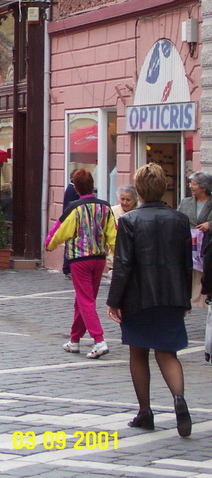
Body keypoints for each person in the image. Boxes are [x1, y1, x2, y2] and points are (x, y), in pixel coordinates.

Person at [108, 163, 193, 437]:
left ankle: (145, 411)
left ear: (140, 192)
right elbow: (186, 262)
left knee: (138, 352)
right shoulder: (179, 220)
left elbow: (123, 264)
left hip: (138, 296)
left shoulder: (129, 221)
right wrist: (185, 298)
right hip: (171, 295)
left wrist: (114, 300)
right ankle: (179, 400)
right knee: (168, 353)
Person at [46, 168, 116, 360]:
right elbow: (113, 235)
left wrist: (50, 244)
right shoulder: (105, 207)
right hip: (99, 259)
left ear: (75, 187)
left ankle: (99, 340)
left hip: (79, 259)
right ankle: (74, 339)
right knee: (84, 299)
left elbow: (61, 230)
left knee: (85, 300)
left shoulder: (74, 208)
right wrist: (118, 255)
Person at [177, 171, 212, 309]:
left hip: (207, 247)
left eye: (194, 184)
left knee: (206, 274)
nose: (190, 186)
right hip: (189, 247)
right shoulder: (186, 202)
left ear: (203, 187)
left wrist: (210, 225)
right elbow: (178, 219)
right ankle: (190, 300)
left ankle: (206, 297)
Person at [61, 169, 79, 278]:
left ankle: (67, 268)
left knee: (70, 243)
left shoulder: (70, 188)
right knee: (70, 244)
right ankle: (67, 268)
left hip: (69, 219)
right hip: (72, 220)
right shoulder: (72, 189)